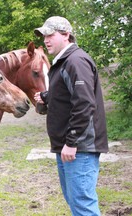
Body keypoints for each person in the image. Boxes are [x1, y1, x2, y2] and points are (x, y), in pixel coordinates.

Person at [33, 16, 108, 216]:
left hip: (79, 147)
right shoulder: (64, 62)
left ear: (66, 35)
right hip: (68, 146)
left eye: (50, 35)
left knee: (83, 205)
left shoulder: (76, 61)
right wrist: (48, 97)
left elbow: (84, 103)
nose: (46, 40)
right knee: (75, 202)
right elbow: (70, 95)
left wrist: (72, 141)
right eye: (44, 36)